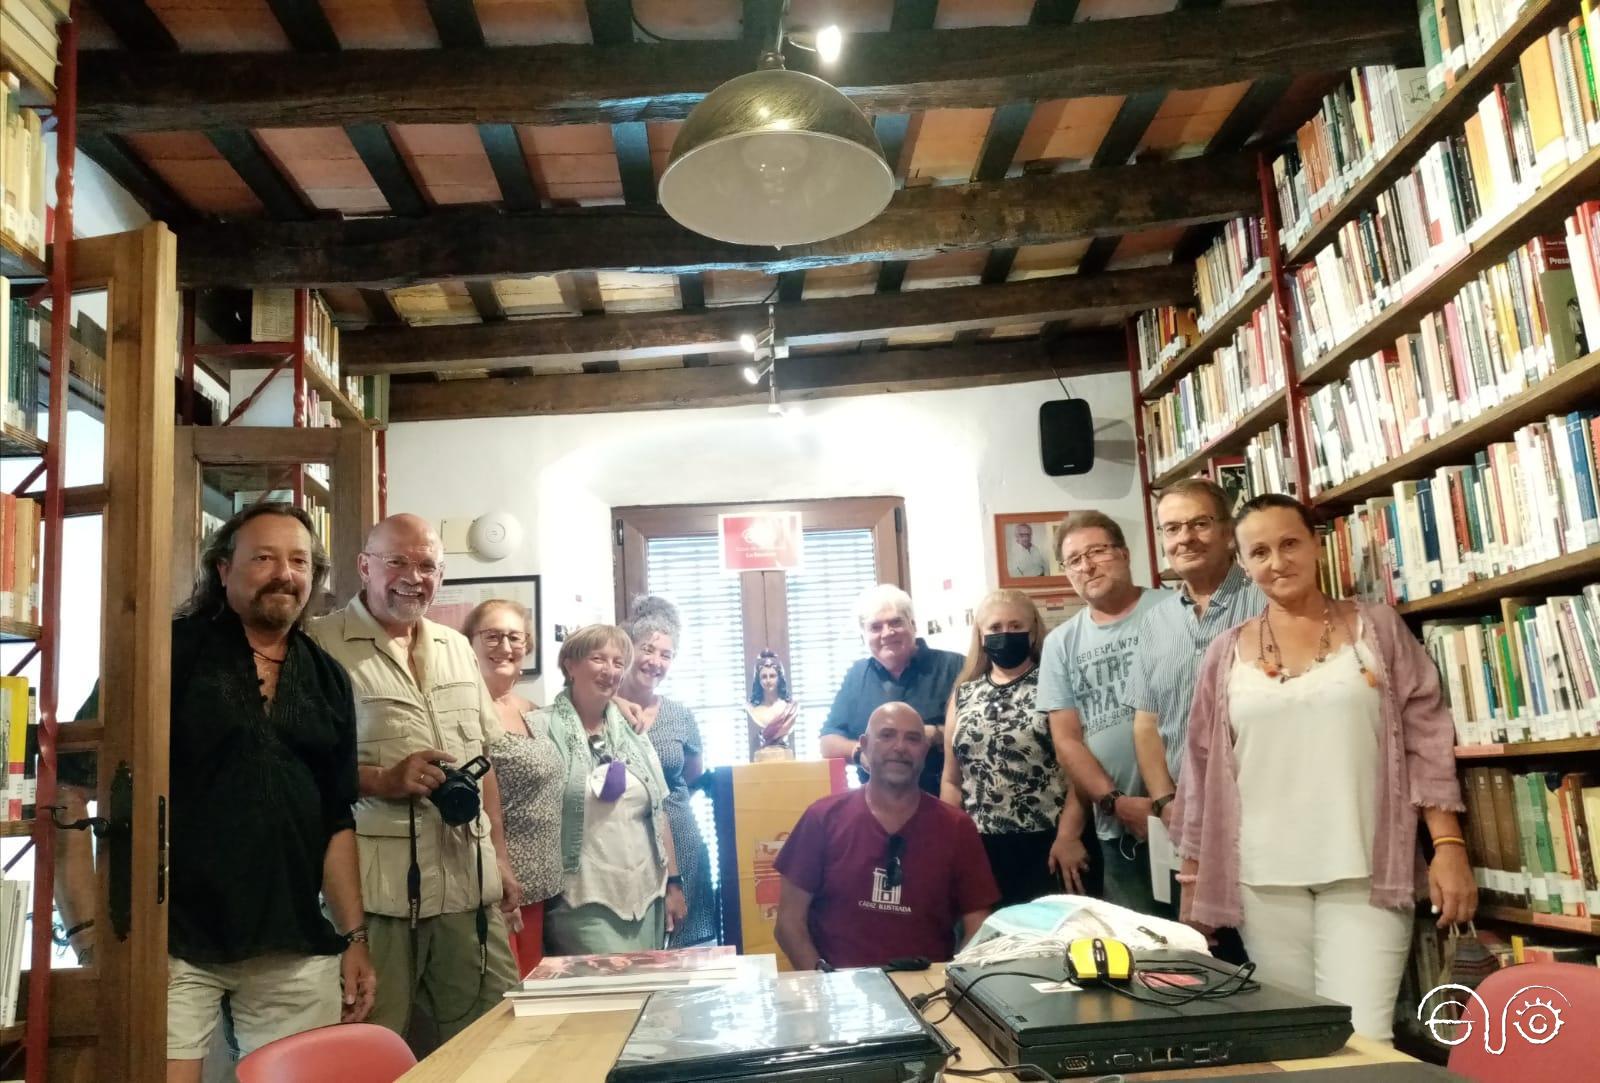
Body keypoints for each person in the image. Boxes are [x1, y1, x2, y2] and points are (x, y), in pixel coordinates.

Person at [1173, 495, 1477, 1042]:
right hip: (1263, 881)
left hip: (1363, 870)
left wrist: (1448, 846)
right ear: (1242, 564)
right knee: (1297, 1041)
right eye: (1259, 551)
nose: (1277, 561)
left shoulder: (1376, 630)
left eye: (1289, 543)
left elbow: (1426, 737)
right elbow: (1200, 773)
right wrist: (1195, 882)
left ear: (1316, 544)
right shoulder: (1223, 654)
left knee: (1364, 1039)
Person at [163, 504, 374, 1082]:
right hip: (174, 940)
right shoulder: (166, 654)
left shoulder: (328, 676)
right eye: (264, 557)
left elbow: (337, 817)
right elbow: (88, 783)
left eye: (299, 560)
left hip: (294, 942)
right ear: (223, 569)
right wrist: (88, 930)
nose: (285, 573)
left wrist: (354, 937)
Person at [307, 514, 519, 1043]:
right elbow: (302, 773)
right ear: (364, 567)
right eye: (397, 560)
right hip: (377, 897)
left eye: (427, 564)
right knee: (373, 1046)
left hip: (467, 886)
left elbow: (483, 763)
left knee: (494, 1040)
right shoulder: (319, 645)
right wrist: (383, 781)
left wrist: (500, 858)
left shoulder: (456, 647)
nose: (413, 575)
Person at [1126, 478, 1265, 959]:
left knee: (1272, 960)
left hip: (1261, 811)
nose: (1184, 537)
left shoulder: (1267, 602)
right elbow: (1146, 723)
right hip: (1185, 822)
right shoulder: (1156, 623)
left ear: (1229, 533)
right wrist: (1166, 800)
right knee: (1203, 958)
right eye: (1172, 528)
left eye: (1200, 523)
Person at [775, 702, 1000, 969]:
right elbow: (789, 922)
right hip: (841, 991)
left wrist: (950, 984)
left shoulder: (956, 827)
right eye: (887, 735)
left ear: (925, 751)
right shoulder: (822, 818)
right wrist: (824, 987)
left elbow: (980, 926)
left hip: (928, 995)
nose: (900, 747)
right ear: (865, 744)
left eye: (913, 739)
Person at [1038, 511, 1168, 916]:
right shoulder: (1061, 642)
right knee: (1143, 952)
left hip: (1191, 814)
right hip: (1119, 828)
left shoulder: (1173, 609)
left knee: (1212, 949)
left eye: (1097, 551)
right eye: (1074, 560)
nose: (1087, 565)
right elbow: (1067, 740)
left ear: (1125, 554)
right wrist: (1116, 802)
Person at [536, 624, 688, 953]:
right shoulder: (540, 728)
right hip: (583, 898)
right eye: (598, 659)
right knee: (607, 1000)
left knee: (649, 999)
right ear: (570, 665)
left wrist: (673, 883)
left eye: (619, 663)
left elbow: (658, 813)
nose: (609, 671)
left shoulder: (634, 733)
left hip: (648, 896)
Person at [941, 590, 1087, 908]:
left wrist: (1069, 836)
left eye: (1015, 625)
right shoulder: (963, 694)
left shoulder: (1056, 685)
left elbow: (1079, 772)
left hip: (1048, 845)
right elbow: (951, 780)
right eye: (994, 628)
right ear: (980, 635)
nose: (1004, 635)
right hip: (980, 848)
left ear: (1033, 630)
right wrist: (950, 843)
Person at [468, 599, 562, 977]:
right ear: (469, 644)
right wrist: (501, 869)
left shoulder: (533, 708)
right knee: (507, 998)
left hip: (542, 888)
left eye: (514, 637)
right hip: (499, 889)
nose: (504, 647)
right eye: (491, 636)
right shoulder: (468, 708)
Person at [616, 596, 716, 948]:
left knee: (688, 951)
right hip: (623, 841)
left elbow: (691, 775)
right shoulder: (603, 707)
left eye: (666, 655)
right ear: (629, 648)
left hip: (680, 837)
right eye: (648, 649)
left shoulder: (679, 715)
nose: (656, 662)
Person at [819, 584, 963, 795]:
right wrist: (859, 754)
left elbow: (980, 733)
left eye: (896, 622)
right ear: (863, 636)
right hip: (873, 810)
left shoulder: (955, 667)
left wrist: (937, 734)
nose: (887, 633)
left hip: (943, 803)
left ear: (913, 624)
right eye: (875, 627)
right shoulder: (856, 675)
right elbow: (827, 743)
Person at [745, 651, 798, 762]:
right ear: (758, 680)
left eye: (772, 676)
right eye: (764, 677)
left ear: (779, 678)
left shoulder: (789, 708)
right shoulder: (753, 709)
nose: (768, 681)